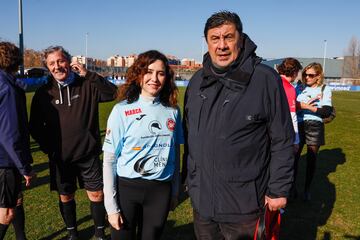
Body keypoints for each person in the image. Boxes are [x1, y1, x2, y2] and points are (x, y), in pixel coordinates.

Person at [182, 11, 295, 239]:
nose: (221, 45)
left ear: (240, 39)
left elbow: (282, 139)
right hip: (203, 203)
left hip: (245, 205)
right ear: (207, 42)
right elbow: (190, 139)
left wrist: (278, 189)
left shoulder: (264, 79)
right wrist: (190, 181)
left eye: (228, 37)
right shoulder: (196, 82)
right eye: (215, 38)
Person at [29, 46, 117, 240]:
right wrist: (49, 148)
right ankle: (72, 234)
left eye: (60, 61)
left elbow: (113, 93)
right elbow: (34, 126)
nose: (57, 66)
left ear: (69, 62)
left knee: (96, 195)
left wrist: (89, 74)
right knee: (66, 196)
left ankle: (100, 233)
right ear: (47, 67)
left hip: (88, 154)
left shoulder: (86, 84)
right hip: (60, 158)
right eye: (52, 63)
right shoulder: (43, 93)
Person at [102, 50, 183, 240]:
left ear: (167, 78)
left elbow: (175, 154)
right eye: (148, 71)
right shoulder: (121, 111)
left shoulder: (173, 111)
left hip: (160, 192)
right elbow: (109, 161)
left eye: (160, 73)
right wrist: (111, 207)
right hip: (127, 190)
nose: (154, 78)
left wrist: (175, 191)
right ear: (139, 74)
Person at [0, 41, 35, 240]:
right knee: (6, 214)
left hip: (5, 160)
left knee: (16, 201)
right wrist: (24, 168)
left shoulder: (6, 83)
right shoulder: (7, 89)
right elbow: (9, 134)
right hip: (5, 162)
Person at [295, 62, 332, 201]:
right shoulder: (300, 87)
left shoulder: (324, 89)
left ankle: (306, 190)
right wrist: (301, 106)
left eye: (311, 75)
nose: (307, 77)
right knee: (294, 158)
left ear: (318, 76)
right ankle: (292, 188)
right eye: (305, 74)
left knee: (311, 160)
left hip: (315, 127)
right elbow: (292, 105)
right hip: (298, 125)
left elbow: (326, 111)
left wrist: (308, 107)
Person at [276, 58, 303, 198]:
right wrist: (296, 140)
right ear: (294, 72)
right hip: (283, 136)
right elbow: (292, 116)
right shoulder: (289, 88)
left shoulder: (271, 81)